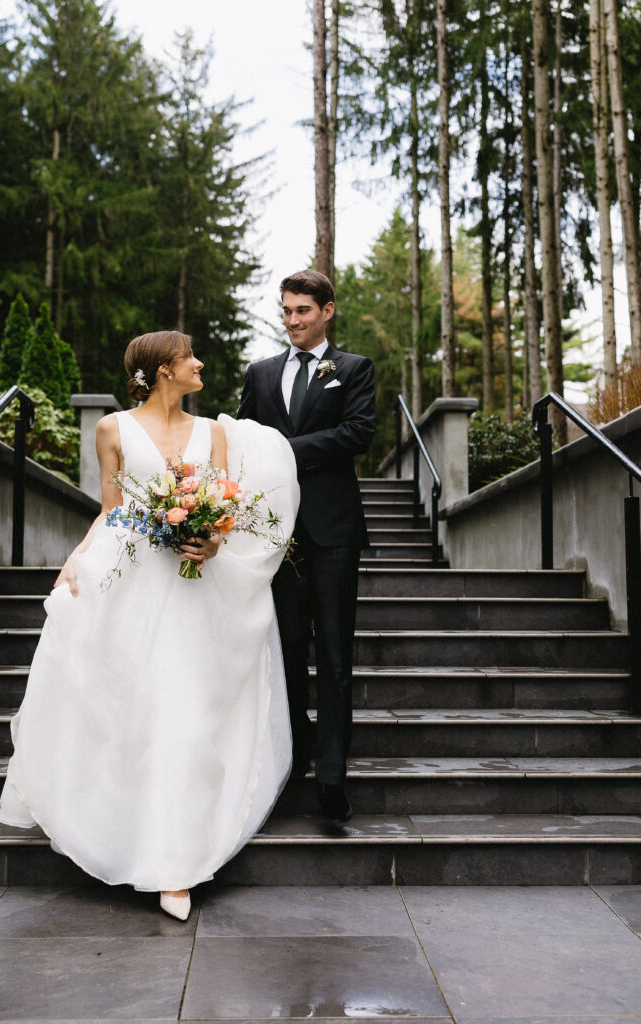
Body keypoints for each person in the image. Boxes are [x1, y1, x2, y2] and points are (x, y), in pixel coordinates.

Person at [0, 330, 299, 920]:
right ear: (164, 369)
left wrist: (210, 541)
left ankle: (176, 862)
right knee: (129, 707)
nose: (200, 364)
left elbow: (220, 509)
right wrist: (76, 559)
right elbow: (111, 510)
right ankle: (119, 830)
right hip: (128, 577)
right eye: (190, 357)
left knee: (184, 710)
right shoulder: (111, 428)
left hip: (193, 590)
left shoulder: (212, 432)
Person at [237, 270, 376, 822]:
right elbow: (244, 441)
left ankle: (333, 771)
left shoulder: (353, 370)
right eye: (287, 310)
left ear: (327, 311)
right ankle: (293, 755)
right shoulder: (261, 373)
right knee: (286, 651)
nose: (292, 319)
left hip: (333, 530)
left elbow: (357, 433)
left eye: (302, 310)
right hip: (275, 537)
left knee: (337, 655)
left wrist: (283, 450)